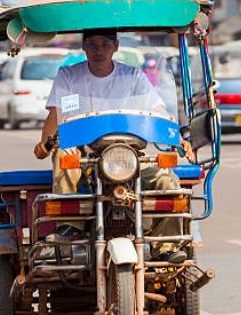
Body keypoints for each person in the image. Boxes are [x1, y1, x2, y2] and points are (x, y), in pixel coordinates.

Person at [33, 29, 194, 263]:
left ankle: (165, 245)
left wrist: (177, 138)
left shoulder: (133, 76)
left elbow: (158, 111)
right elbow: (55, 119)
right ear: (84, 47)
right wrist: (47, 143)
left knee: (165, 178)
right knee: (65, 153)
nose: (99, 50)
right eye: (93, 44)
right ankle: (70, 227)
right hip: (85, 154)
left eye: (105, 44)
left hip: (128, 153)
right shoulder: (68, 76)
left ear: (116, 46)